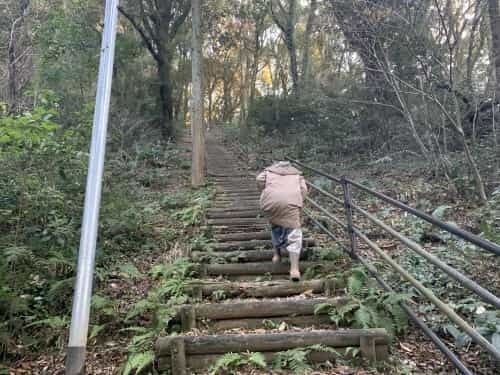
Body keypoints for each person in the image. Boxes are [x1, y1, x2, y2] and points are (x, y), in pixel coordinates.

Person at [256, 161, 308, 281]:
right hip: (291, 205)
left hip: (271, 203)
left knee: (276, 226)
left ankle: (277, 255)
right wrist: (298, 202)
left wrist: (264, 190)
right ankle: (294, 269)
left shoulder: (268, 172)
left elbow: (259, 179)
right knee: (294, 233)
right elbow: (304, 190)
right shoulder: (297, 175)